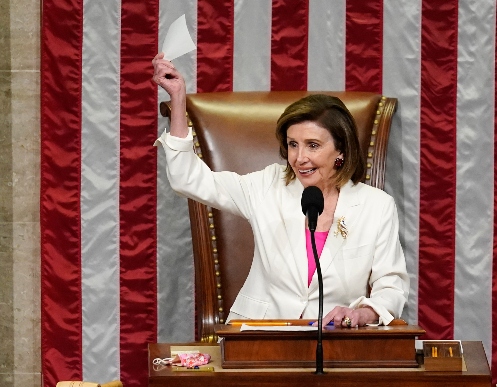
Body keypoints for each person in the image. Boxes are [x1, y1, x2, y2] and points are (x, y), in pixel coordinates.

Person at [152, 52, 409, 328]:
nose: (299, 158)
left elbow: (391, 285)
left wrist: (365, 312)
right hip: (260, 340)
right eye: (292, 144)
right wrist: (178, 101)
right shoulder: (267, 186)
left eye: (313, 145)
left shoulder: (376, 206)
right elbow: (188, 179)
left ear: (341, 151)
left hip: (333, 343)